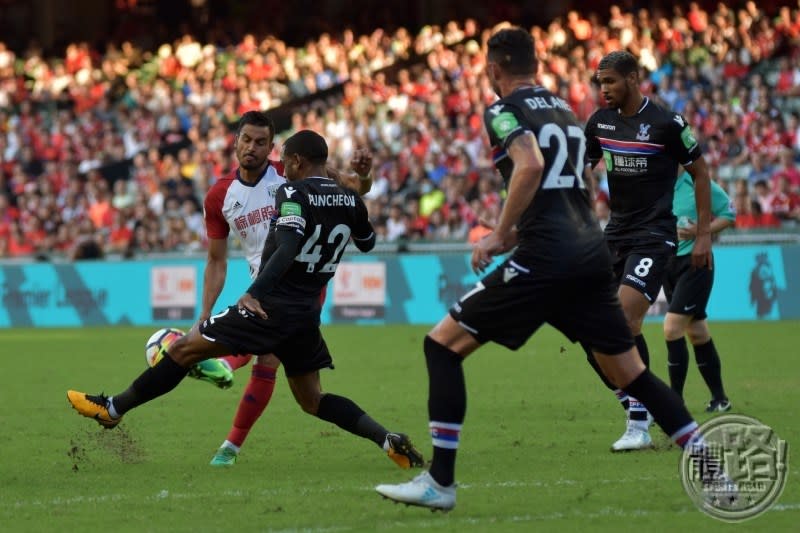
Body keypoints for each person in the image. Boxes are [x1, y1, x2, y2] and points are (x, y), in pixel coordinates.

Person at [375, 27, 704, 511]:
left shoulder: (504, 110)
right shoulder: (566, 110)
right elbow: (579, 182)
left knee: (441, 345)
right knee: (630, 371)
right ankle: (711, 465)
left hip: (545, 256)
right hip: (589, 250)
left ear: (494, 68)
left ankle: (440, 483)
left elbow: (528, 165)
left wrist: (501, 234)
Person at [67, 130, 423, 472]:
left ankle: (112, 409)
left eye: (285, 160)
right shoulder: (349, 200)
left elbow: (287, 248)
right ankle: (386, 438)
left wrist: (255, 292)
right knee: (312, 400)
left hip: (271, 307)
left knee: (182, 350)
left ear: (297, 161)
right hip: (305, 313)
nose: (283, 167)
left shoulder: (292, 193)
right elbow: (368, 242)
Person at [196, 110, 373, 466]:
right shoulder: (220, 196)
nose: (252, 148)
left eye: (261, 143)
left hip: (302, 282)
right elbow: (217, 260)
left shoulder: (292, 171)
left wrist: (364, 176)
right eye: (246, 140)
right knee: (279, 367)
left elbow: (352, 192)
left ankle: (227, 397)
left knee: (269, 354)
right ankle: (229, 440)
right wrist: (203, 315)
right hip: (262, 283)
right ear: (235, 143)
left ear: (272, 148)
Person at [582, 50, 713, 451]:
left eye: (611, 82)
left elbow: (701, 173)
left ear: (634, 78)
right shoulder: (599, 123)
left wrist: (704, 234)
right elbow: (583, 168)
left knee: (622, 322)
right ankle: (637, 407)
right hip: (615, 234)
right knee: (589, 329)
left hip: (654, 236)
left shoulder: (667, 124)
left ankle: (638, 423)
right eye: (600, 82)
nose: (604, 89)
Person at [664, 171, 735, 411]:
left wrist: (700, 231)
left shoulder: (698, 183)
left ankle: (674, 402)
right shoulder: (657, 182)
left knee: (672, 328)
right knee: (697, 331)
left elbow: (728, 214)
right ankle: (720, 399)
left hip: (696, 262)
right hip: (668, 264)